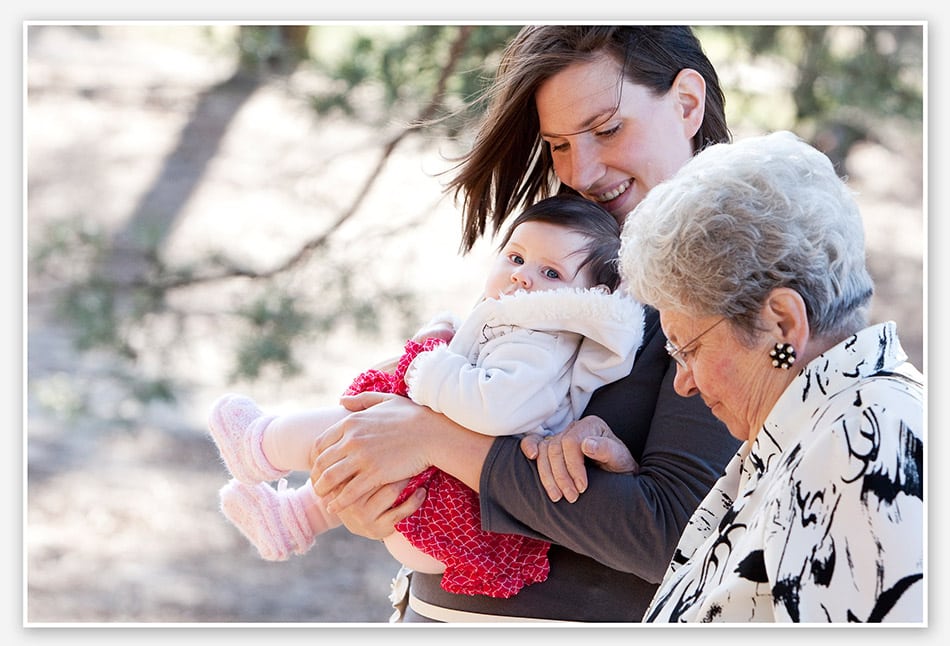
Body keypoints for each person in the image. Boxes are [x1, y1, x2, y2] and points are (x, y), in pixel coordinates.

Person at [308, 25, 742, 623]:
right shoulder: (576, 246)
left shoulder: (730, 276)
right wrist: (384, 496)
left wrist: (433, 438)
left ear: (687, 103)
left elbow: (677, 537)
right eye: (559, 144)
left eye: (606, 128)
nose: (582, 171)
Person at [206, 195, 647, 600]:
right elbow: (483, 365)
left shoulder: (543, 341)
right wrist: (446, 340)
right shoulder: (529, 324)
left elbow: (496, 406)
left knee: (375, 420)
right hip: (444, 507)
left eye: (550, 273)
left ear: (589, 299)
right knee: (378, 436)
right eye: (515, 257)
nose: (522, 275)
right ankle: (293, 519)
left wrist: (428, 366)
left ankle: (260, 446)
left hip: (453, 508)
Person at [609, 130, 923, 622]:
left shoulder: (866, 447)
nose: (683, 382)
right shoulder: (810, 428)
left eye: (688, 349)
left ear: (782, 323)